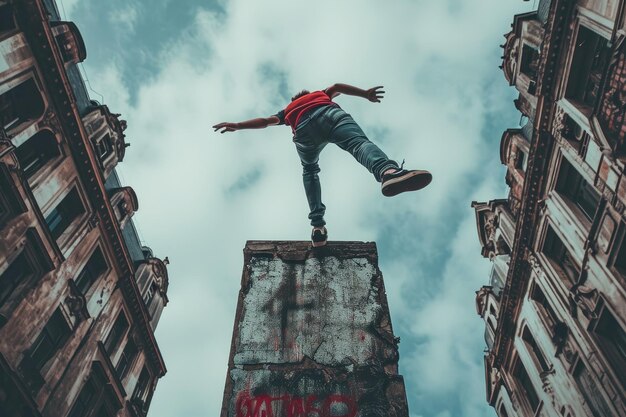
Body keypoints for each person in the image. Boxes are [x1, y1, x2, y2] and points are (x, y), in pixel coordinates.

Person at [213, 83, 432, 247]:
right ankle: (388, 172)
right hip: (330, 114)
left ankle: (318, 225)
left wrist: (238, 125)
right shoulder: (321, 94)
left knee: (310, 171)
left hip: (303, 131)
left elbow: (266, 122)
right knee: (358, 144)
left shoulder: (287, 110)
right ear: (307, 94)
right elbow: (338, 87)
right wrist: (365, 94)